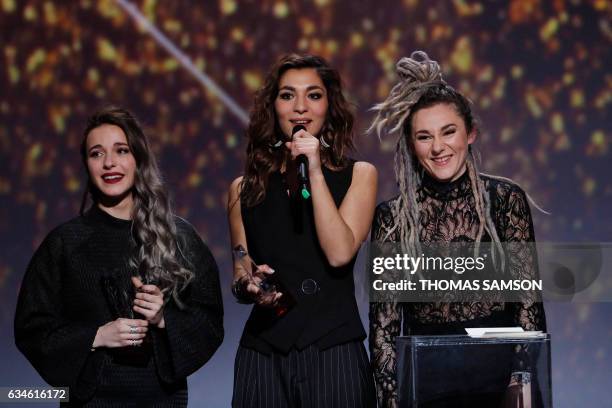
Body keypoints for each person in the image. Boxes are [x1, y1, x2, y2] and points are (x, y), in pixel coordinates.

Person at [368, 51, 547, 407]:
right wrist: (390, 399)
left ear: (471, 133)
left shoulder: (505, 199)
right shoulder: (393, 217)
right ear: (410, 144)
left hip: (500, 381)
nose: (438, 147)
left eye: (448, 131)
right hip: (428, 383)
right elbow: (384, 330)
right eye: (424, 136)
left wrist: (520, 382)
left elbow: (529, 305)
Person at [14, 107, 224, 407]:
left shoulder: (179, 236)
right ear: (86, 165)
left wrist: (163, 319)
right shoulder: (65, 243)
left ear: (138, 158)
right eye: (96, 153)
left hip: (162, 401)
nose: (109, 163)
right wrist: (97, 335)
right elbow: (32, 329)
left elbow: (210, 320)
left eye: (121, 150)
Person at [227, 54, 378, 407]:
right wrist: (249, 286)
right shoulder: (243, 189)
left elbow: (339, 253)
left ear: (329, 106)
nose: (299, 108)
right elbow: (240, 267)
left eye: (313, 95)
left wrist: (314, 168)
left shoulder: (360, 175)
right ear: (272, 107)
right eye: (286, 95)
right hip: (264, 353)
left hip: (333, 348)